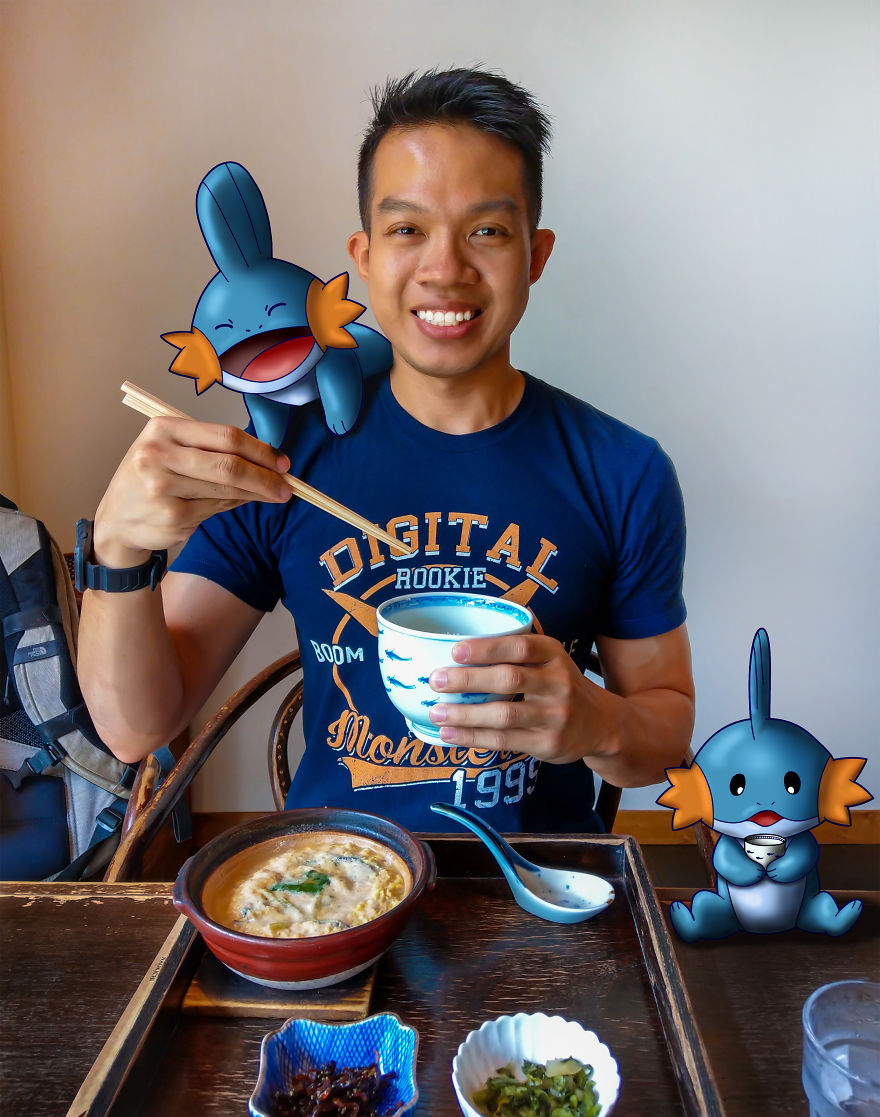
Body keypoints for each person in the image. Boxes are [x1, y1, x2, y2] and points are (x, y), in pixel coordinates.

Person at [77, 67, 694, 833]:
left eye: (488, 231)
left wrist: (596, 723)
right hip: (328, 882)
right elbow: (137, 726)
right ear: (362, 256)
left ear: (535, 254)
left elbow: (663, 733)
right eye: (408, 230)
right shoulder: (282, 462)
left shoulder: (622, 471)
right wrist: (117, 551)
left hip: (540, 896)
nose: (445, 269)